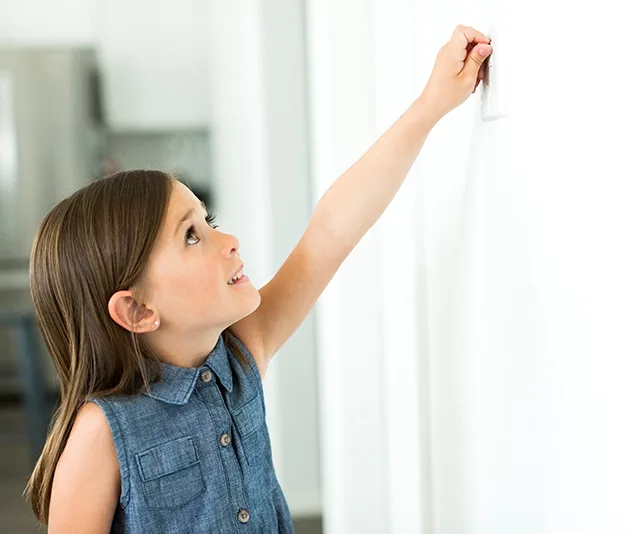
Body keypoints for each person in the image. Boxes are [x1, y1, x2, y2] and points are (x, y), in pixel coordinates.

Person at [25, 25, 491, 533]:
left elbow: (331, 230)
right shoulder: (99, 435)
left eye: (211, 223)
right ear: (137, 310)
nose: (228, 242)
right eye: (191, 236)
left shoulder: (241, 358)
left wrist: (430, 105)